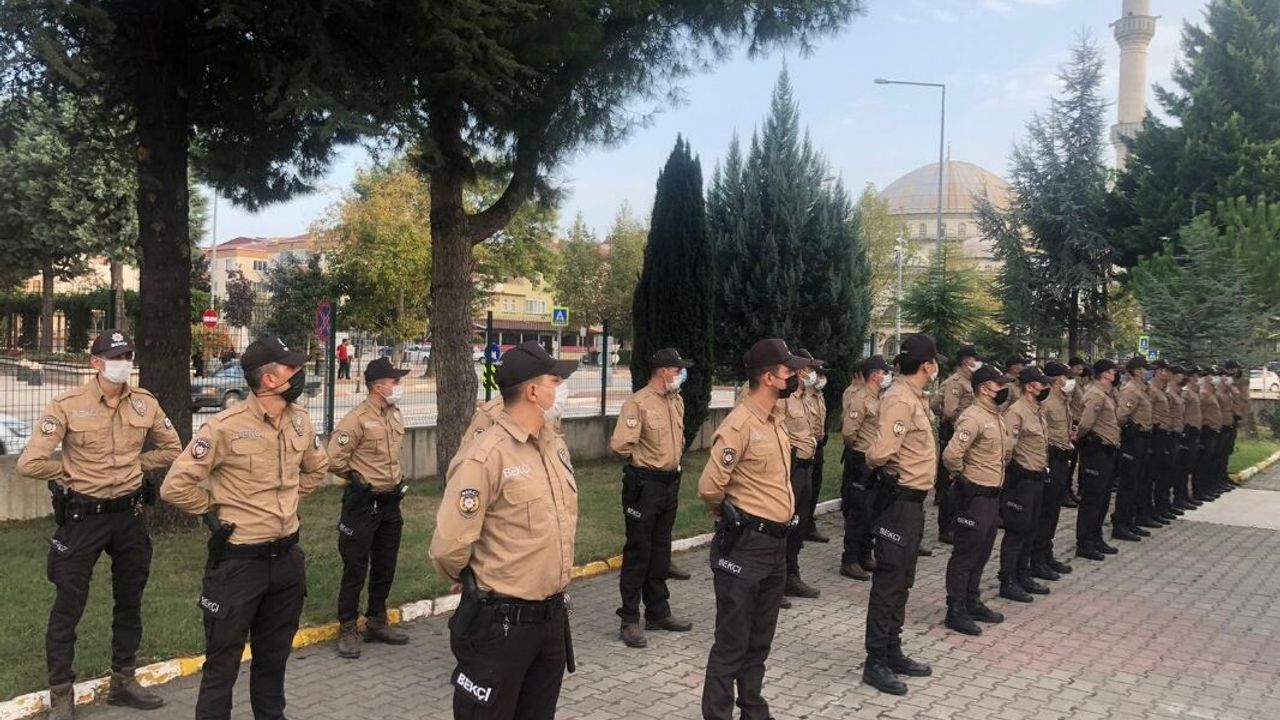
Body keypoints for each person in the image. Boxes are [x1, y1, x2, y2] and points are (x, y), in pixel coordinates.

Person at [161, 334, 329, 720]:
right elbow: (175, 486)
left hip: (286, 561)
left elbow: (317, 468)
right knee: (222, 663)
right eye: (291, 367)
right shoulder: (224, 427)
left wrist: (286, 500)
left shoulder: (300, 421)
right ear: (269, 379)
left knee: (274, 659)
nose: (300, 372)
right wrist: (214, 510)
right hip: (239, 565)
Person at [17, 330, 181, 719]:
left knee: (130, 599)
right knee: (69, 604)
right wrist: (72, 470)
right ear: (96, 362)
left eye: (127, 356)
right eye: (115, 356)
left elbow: (172, 448)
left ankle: (124, 680)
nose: (123, 363)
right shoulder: (68, 405)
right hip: (83, 518)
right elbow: (29, 463)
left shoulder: (144, 403)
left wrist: (134, 465)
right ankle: (61, 693)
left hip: (129, 516)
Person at [430, 340, 579, 720]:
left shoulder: (553, 445)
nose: (562, 389)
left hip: (550, 621)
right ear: (532, 392)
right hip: (500, 627)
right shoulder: (486, 455)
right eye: (554, 381)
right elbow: (449, 545)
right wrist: (470, 578)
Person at [698, 339, 805, 720]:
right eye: (788, 370)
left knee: (759, 641)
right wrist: (731, 515)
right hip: (746, 545)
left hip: (775, 545)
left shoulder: (774, 420)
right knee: (732, 642)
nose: (795, 376)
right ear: (768, 377)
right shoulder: (740, 425)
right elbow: (710, 486)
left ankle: (753, 710)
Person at [861, 334, 941, 696]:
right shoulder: (899, 399)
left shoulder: (914, 397)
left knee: (903, 579)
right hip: (898, 502)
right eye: (934, 362)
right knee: (890, 581)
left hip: (912, 503)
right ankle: (875, 660)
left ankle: (892, 648)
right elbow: (880, 452)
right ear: (927, 365)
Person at [609, 347, 695, 649]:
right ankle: (629, 617)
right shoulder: (639, 403)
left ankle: (658, 611)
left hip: (669, 483)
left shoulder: (676, 400)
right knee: (639, 551)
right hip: (645, 486)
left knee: (660, 551)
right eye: (678, 369)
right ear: (664, 372)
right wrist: (643, 461)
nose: (681, 374)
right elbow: (620, 445)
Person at [328, 357, 411, 659]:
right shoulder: (357, 419)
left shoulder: (394, 414)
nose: (399, 386)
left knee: (385, 565)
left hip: (390, 503)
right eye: (394, 381)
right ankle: (348, 627)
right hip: (363, 504)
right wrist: (356, 478)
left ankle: (376, 621)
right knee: (355, 567)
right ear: (378, 387)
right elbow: (334, 458)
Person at [940, 365, 1012, 634]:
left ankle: (972, 600)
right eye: (999, 384)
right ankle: (955, 608)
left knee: (983, 551)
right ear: (984, 388)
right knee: (966, 553)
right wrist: (962, 478)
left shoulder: (995, 415)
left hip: (992, 495)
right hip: (975, 496)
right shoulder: (973, 417)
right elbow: (951, 454)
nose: (1004, 389)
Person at [997, 366, 1051, 603]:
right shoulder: (1016, 411)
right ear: (1030, 387)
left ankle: (1023, 573)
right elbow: (1008, 448)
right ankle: (1008, 579)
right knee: (1017, 530)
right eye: (1042, 384)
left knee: (1030, 529)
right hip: (1021, 480)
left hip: (1037, 477)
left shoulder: (1036, 410)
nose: (1045, 388)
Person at [839, 355, 890, 581]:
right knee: (858, 511)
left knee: (872, 511)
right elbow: (849, 432)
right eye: (883, 372)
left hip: (874, 460)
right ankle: (849, 559)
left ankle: (865, 553)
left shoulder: (880, 398)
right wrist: (858, 451)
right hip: (860, 459)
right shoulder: (860, 398)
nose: (886, 376)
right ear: (874, 375)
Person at [779, 348, 824, 600]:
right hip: (791, 467)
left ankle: (791, 574)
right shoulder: (783, 398)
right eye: (807, 369)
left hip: (807, 466)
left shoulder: (805, 396)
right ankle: (776, 580)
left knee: (799, 523)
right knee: (784, 524)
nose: (811, 373)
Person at [1073, 359, 1121, 561]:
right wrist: (1079, 437)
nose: (1115, 375)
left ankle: (1096, 537)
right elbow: (1085, 423)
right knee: (1092, 499)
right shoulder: (1095, 394)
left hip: (1107, 451)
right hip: (1096, 452)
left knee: (1102, 498)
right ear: (1104, 374)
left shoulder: (1106, 394)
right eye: (1112, 371)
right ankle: (1085, 543)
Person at [1031, 362, 1074, 580]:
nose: (1069, 381)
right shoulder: (1047, 402)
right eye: (1066, 377)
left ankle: (1046, 554)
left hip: (1062, 457)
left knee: (1053, 511)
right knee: (1045, 512)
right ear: (1058, 379)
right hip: (1050, 458)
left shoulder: (1062, 400)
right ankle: (1037, 559)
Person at [933, 345, 980, 545]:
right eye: (974, 359)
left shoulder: (970, 382)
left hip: (965, 433)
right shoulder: (955, 382)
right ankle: (946, 528)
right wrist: (955, 419)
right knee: (949, 481)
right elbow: (949, 411)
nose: (976, 363)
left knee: (962, 478)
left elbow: (935, 403)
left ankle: (959, 522)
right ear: (965, 361)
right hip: (954, 432)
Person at [1112, 356, 1154, 542]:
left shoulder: (1143, 389)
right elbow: (1121, 416)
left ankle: (1130, 521)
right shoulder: (1130, 390)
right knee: (1128, 484)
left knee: (1138, 481)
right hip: (1133, 440)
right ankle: (1120, 524)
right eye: (1145, 369)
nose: (1148, 373)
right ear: (1137, 371)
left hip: (1143, 438)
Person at [1147, 360, 1180, 524]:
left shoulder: (1163, 390)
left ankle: (1163, 505)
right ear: (1160, 371)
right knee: (1154, 475)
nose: (1170, 374)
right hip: (1156, 435)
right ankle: (1153, 509)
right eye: (1167, 371)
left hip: (1167, 434)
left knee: (1165, 473)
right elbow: (1149, 413)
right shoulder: (1151, 389)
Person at [804, 361, 832, 544]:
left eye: (823, 375)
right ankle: (800, 525)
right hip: (806, 447)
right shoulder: (805, 395)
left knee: (815, 486)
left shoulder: (819, 395)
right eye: (818, 374)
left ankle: (809, 524)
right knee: (804, 489)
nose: (821, 378)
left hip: (818, 446)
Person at [1175, 365, 1204, 511]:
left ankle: (1185, 495)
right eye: (1194, 376)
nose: (1196, 378)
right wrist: (1184, 428)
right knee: (1183, 467)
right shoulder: (1186, 392)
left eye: (1197, 376)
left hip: (1195, 431)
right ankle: (1179, 497)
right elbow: (1181, 411)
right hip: (1187, 432)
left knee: (1189, 467)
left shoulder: (1194, 391)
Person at [1193, 366, 1224, 502]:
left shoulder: (1211, 392)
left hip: (1213, 430)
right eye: (1212, 375)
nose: (1215, 378)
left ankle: (1207, 487)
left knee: (1210, 461)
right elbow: (1198, 411)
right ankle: (1199, 490)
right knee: (1202, 463)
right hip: (1206, 430)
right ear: (1206, 377)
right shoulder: (1203, 393)